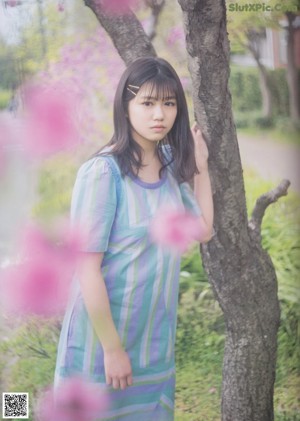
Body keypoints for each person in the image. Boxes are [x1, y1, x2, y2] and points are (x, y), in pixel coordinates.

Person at [54, 57, 214, 420]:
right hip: (102, 342)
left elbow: (203, 228)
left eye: (169, 103)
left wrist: (201, 165)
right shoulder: (103, 173)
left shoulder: (172, 165)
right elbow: (87, 269)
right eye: (147, 102)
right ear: (125, 108)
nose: (160, 114)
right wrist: (112, 349)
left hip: (152, 341)